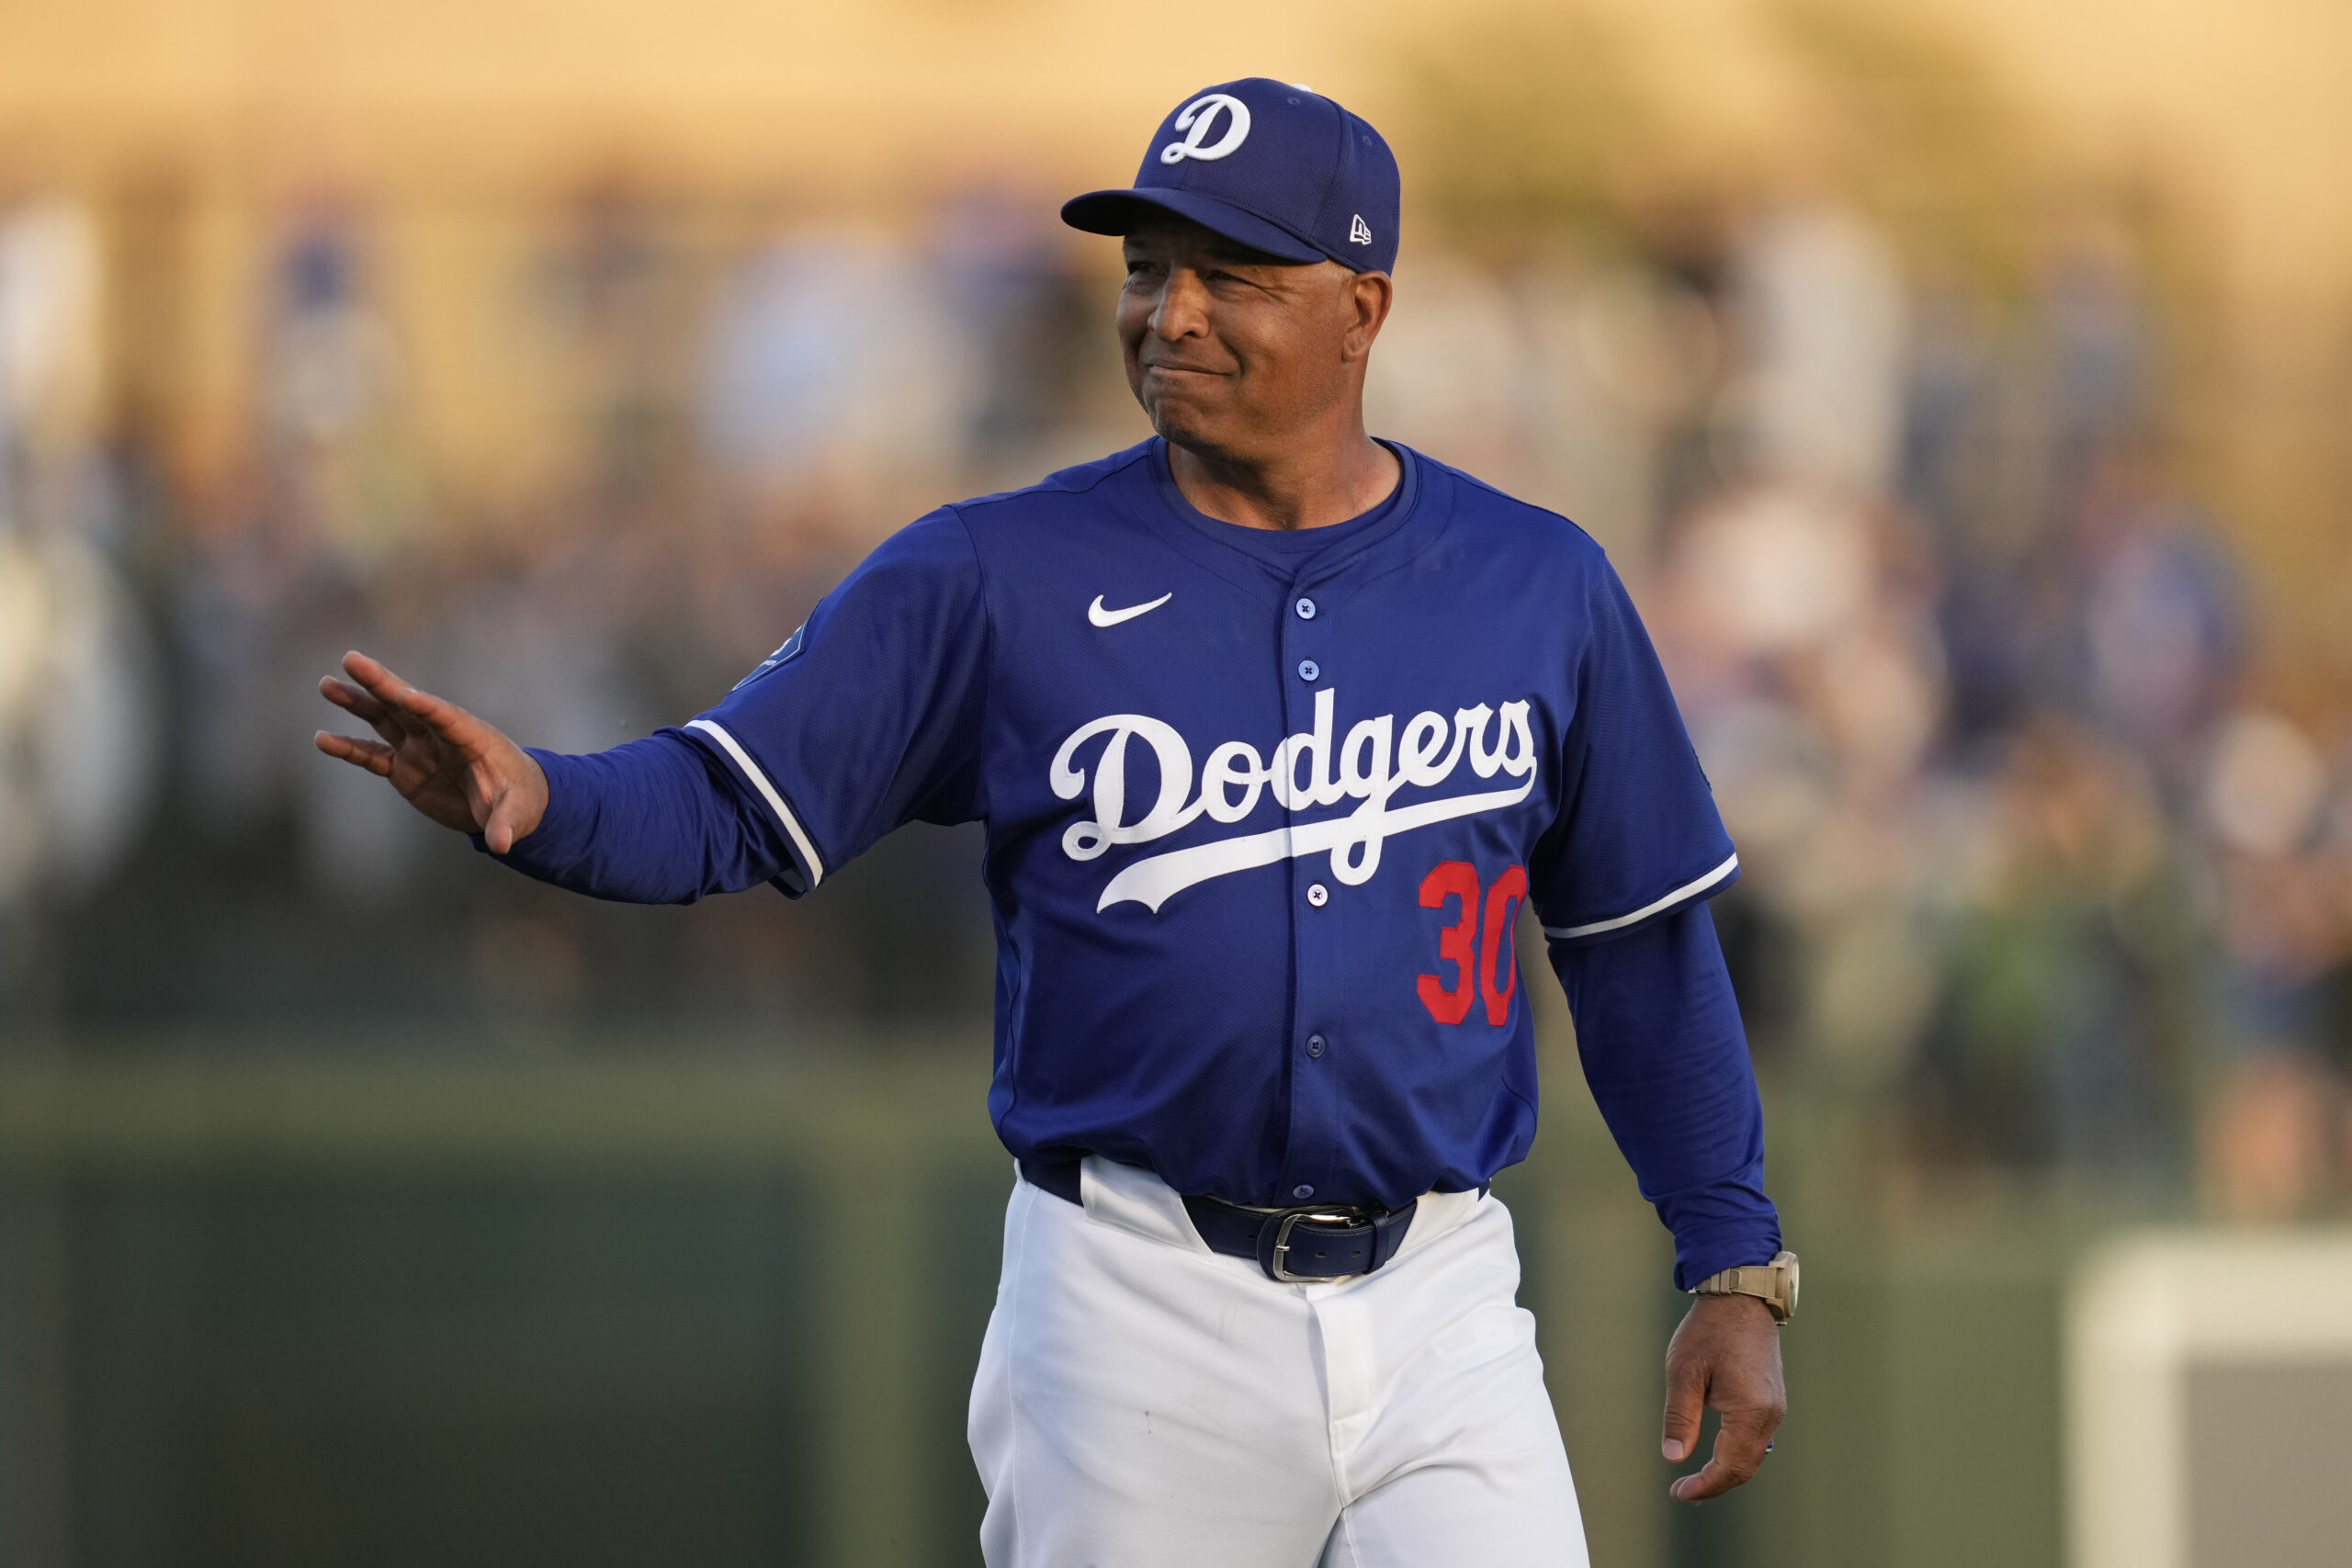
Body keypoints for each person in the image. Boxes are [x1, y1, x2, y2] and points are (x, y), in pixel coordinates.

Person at [317, 78, 1791, 1568]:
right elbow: (727, 797)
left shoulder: (1537, 584)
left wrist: (1734, 1256)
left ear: (1363, 307)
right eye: (1148, 268)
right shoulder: (994, 576)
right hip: (1138, 1302)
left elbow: (1639, 947)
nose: (1173, 313)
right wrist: (542, 797)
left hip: (1444, 1294)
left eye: (1233, 273)